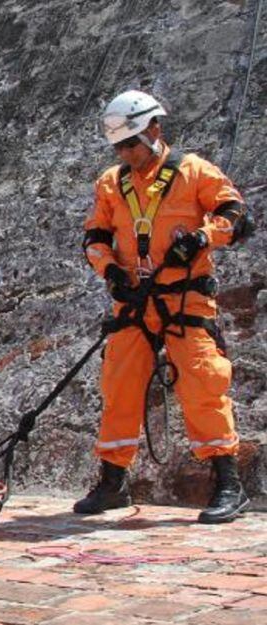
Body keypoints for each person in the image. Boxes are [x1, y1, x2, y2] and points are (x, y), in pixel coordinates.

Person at [79, 90, 254, 523]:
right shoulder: (111, 183)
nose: (126, 152)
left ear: (155, 129)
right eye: (119, 146)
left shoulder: (194, 172)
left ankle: (228, 483)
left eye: (131, 143)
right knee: (119, 385)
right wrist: (112, 273)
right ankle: (113, 482)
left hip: (184, 297)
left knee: (202, 385)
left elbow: (236, 215)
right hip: (136, 302)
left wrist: (202, 237)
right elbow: (95, 238)